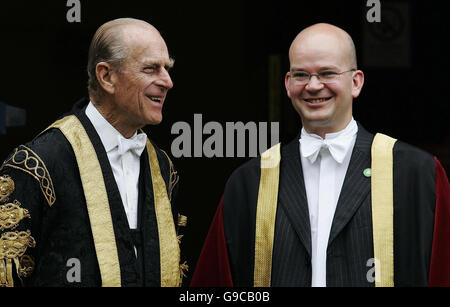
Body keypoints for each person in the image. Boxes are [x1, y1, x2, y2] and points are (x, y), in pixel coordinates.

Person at [191, 23, 450, 287]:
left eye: (327, 73)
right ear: (288, 84)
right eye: (301, 75)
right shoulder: (249, 182)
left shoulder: (417, 176)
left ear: (356, 82)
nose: (313, 86)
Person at [0, 18, 187, 287]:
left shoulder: (163, 167)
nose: (167, 81)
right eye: (151, 69)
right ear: (106, 76)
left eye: (167, 69)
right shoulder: (38, 163)